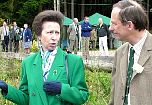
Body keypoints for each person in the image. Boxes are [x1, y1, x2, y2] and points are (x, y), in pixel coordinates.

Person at [0, 10, 89, 105]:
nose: (54, 37)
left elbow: (82, 95)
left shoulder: (73, 61)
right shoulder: (28, 63)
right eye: (50, 32)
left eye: (57, 33)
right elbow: (26, 98)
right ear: (39, 35)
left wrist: (62, 89)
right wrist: (8, 89)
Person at [109, 0, 152, 105]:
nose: (110, 28)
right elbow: (114, 96)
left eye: (114, 24)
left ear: (129, 25)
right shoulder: (119, 53)